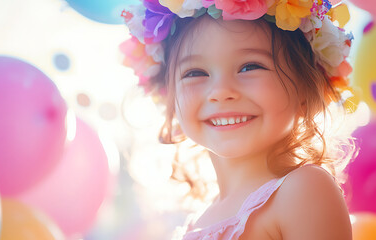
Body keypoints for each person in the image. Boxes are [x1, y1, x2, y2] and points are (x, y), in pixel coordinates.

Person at [120, 0, 359, 239]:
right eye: (195, 73)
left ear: (306, 89)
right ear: (170, 96)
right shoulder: (198, 220)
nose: (221, 91)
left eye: (250, 67)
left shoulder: (302, 191)